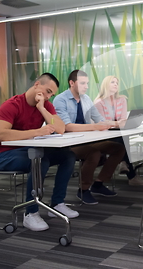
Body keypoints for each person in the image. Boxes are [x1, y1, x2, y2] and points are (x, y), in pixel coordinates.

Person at [0, 73, 78, 232]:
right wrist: (37, 132)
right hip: (2, 155)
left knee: (68, 156)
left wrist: (42, 108)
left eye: (52, 93)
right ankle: (31, 213)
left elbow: (60, 128)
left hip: (27, 151)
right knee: (40, 160)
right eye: (47, 91)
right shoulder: (12, 105)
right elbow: (0, 135)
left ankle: (57, 204)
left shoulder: (45, 105)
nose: (49, 96)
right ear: (37, 84)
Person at [53, 70, 126, 205]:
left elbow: (99, 120)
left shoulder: (86, 99)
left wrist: (118, 124)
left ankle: (98, 184)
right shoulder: (60, 100)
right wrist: (95, 127)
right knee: (94, 153)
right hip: (68, 143)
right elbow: (67, 127)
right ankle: (83, 189)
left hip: (86, 139)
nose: (86, 86)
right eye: (82, 83)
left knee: (119, 148)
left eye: (87, 83)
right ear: (72, 83)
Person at [94, 75, 143, 186]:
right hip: (104, 134)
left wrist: (117, 123)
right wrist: (117, 123)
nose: (116, 85)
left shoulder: (122, 99)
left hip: (118, 132)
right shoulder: (99, 103)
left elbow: (123, 119)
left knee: (122, 135)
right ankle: (129, 172)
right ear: (106, 84)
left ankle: (124, 164)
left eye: (117, 83)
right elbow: (102, 123)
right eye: (113, 82)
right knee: (122, 137)